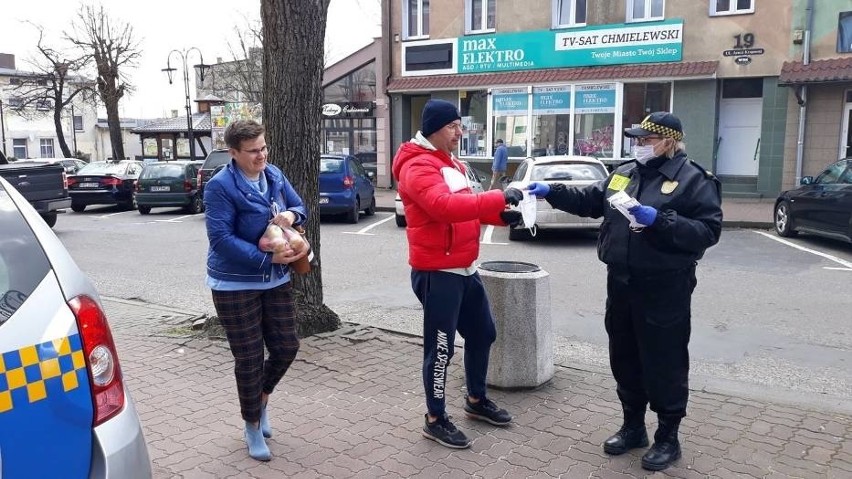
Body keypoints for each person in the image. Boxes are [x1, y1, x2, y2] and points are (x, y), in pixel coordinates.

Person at [526, 112, 722, 471]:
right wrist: (550, 191)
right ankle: (633, 427)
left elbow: (707, 231)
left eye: (645, 140)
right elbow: (591, 199)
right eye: (636, 140)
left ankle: (668, 437)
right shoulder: (625, 173)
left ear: (668, 142)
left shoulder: (694, 179)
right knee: (625, 357)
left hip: (665, 286)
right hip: (621, 281)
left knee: (664, 361)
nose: (638, 146)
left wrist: (659, 220)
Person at [392, 99, 524, 449]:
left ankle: (476, 401)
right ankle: (435, 419)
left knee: (484, 334)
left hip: (465, 267)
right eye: (453, 126)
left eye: (459, 126)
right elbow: (443, 207)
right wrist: (497, 198)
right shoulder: (417, 166)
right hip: (438, 272)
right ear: (435, 128)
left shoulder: (452, 163)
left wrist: (500, 217)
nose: (460, 132)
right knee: (440, 350)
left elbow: (468, 206)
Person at [203, 119, 309, 462]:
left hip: (275, 279)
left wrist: (292, 217)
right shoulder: (220, 186)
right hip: (234, 283)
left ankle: (260, 400)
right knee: (248, 359)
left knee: (286, 347)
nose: (261, 155)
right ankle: (251, 425)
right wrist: (268, 257)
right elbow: (220, 239)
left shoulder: (274, 175)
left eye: (263, 148)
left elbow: (299, 206)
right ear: (233, 153)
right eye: (252, 151)